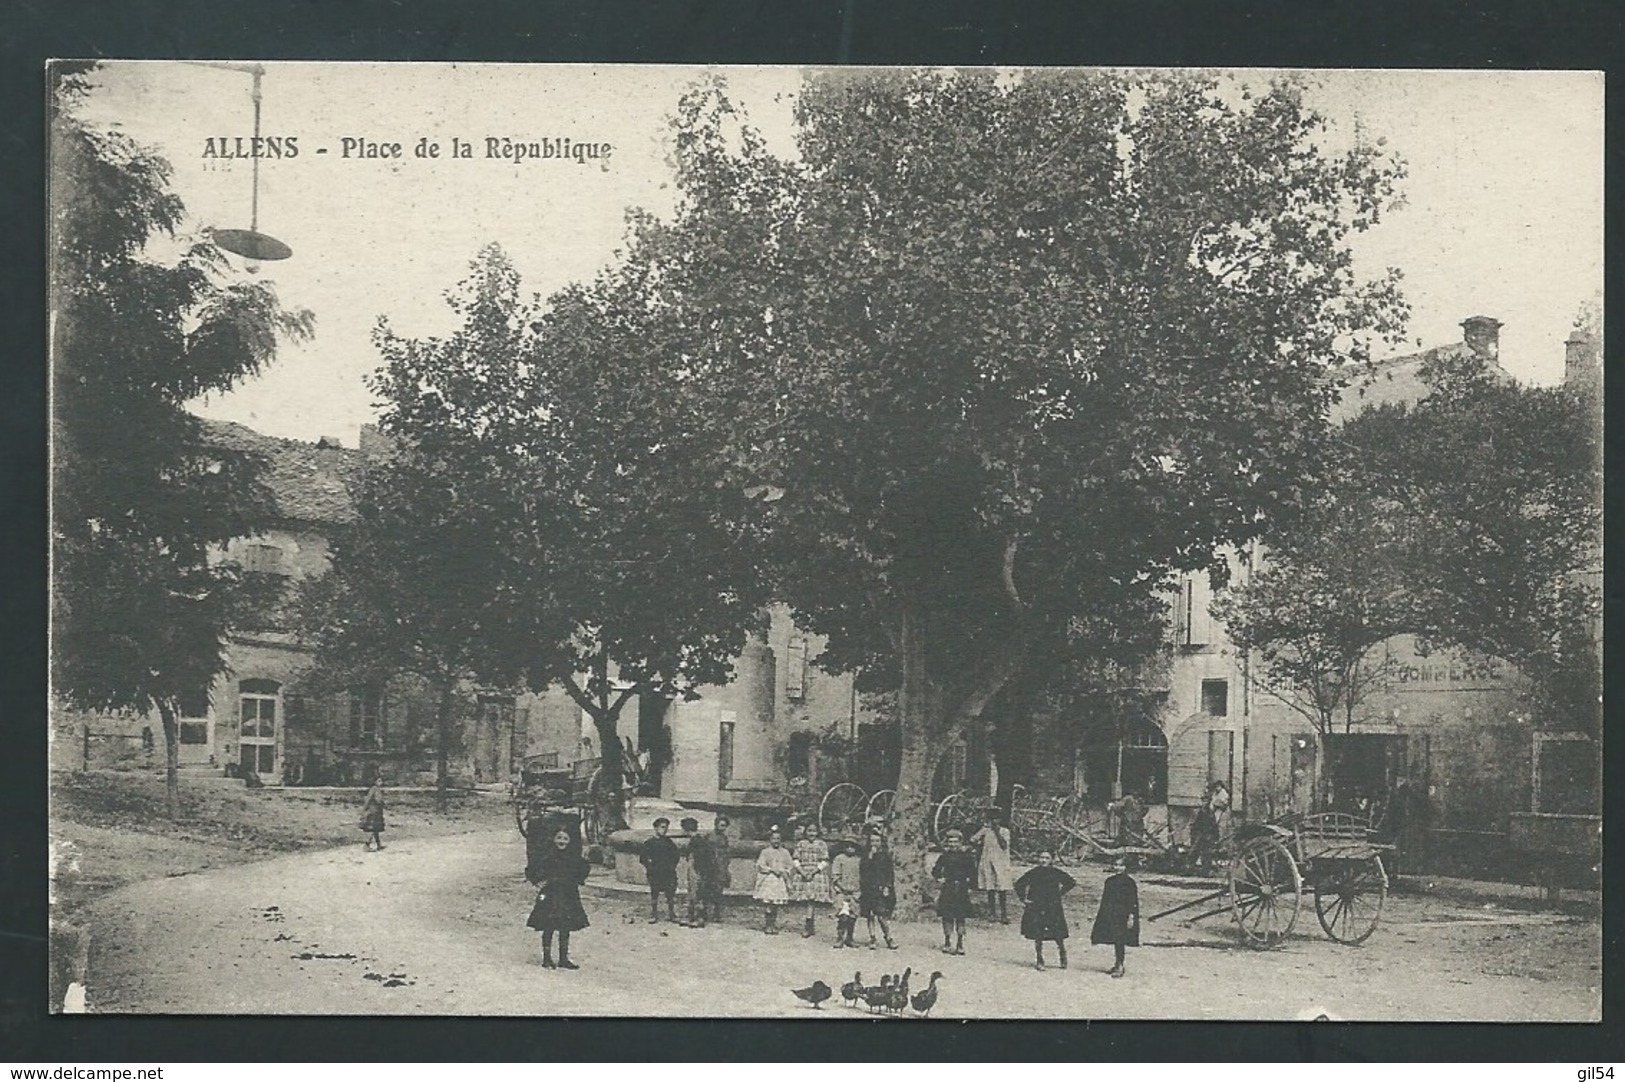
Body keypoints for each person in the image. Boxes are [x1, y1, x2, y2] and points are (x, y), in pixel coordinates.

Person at [526, 827, 591, 969]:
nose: (562, 841)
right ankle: (547, 958)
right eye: (559, 838)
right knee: (548, 925)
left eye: (565, 839)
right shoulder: (547, 855)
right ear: (554, 840)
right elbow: (532, 869)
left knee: (565, 926)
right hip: (550, 893)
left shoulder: (573, 857)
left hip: (568, 893)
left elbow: (581, 872)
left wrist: (584, 864)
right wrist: (538, 882)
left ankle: (563, 958)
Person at [1014, 849, 1077, 970]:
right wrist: (1024, 899)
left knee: (1058, 933)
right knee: (1038, 934)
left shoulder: (1055, 872)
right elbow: (1019, 884)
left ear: (1052, 860)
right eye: (1041, 857)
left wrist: (1059, 893)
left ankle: (1062, 956)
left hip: (1052, 906)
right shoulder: (1034, 872)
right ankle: (1039, 959)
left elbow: (1070, 882)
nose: (1043, 860)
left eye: (1047, 858)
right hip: (1037, 906)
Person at [1091, 856, 1141, 978]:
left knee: (1120, 940)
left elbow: (1133, 901)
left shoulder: (1129, 882)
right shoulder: (1109, 881)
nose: (1118, 868)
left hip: (1123, 914)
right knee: (1114, 938)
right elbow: (1105, 899)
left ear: (1126, 867)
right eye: (1116, 865)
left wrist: (1131, 916)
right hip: (1110, 913)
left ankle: (1120, 965)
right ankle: (1117, 963)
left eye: (1121, 865)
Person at [932, 828, 977, 955]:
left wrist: (970, 887)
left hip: (961, 888)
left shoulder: (967, 857)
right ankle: (947, 942)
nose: (952, 845)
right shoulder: (944, 856)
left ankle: (960, 943)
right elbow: (936, 870)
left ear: (960, 842)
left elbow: (973, 873)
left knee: (961, 917)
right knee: (947, 916)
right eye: (950, 842)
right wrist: (939, 878)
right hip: (948, 888)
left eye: (955, 842)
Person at [971, 811, 1015, 923]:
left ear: (1000, 820)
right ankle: (992, 913)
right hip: (988, 860)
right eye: (992, 819)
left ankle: (1003, 914)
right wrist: (980, 840)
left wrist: (996, 832)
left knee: (1002, 888)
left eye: (996, 819)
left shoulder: (1005, 831)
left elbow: (1004, 845)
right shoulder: (986, 830)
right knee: (990, 888)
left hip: (1001, 862)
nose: (994, 821)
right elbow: (973, 839)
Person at [859, 829, 899, 950]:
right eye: (872, 841)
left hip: (880, 888)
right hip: (868, 888)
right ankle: (872, 937)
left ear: (881, 842)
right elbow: (862, 871)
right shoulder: (866, 856)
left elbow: (889, 873)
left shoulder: (885, 856)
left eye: (877, 841)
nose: (874, 843)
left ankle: (888, 937)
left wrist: (888, 886)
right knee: (870, 915)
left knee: (882, 915)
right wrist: (870, 857)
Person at [791, 821, 832, 938]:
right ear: (805, 832)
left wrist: (814, 871)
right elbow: (795, 859)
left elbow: (825, 861)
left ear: (818, 832)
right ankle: (810, 924)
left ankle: (808, 926)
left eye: (814, 831)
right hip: (803, 872)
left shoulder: (822, 844)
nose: (811, 833)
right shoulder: (801, 844)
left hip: (816, 874)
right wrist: (802, 871)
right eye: (809, 831)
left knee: (811, 900)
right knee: (809, 900)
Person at [640, 817, 681, 923]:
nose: (665, 830)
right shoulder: (649, 843)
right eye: (662, 827)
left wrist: (672, 866)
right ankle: (654, 914)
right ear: (656, 828)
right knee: (655, 893)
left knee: (670, 894)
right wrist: (650, 867)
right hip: (655, 872)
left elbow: (676, 855)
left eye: (666, 827)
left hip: (668, 872)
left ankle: (671, 914)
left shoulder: (669, 842)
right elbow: (643, 858)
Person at [753, 826, 793, 934]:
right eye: (773, 838)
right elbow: (760, 865)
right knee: (768, 903)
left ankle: (773, 924)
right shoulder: (765, 852)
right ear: (770, 840)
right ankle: (768, 925)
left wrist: (783, 871)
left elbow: (789, 865)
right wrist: (771, 869)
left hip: (779, 880)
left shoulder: (785, 852)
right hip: (769, 879)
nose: (776, 841)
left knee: (776, 904)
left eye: (778, 839)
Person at [829, 839, 862, 948]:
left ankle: (850, 938)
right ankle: (840, 937)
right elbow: (835, 876)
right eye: (847, 846)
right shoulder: (839, 859)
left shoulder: (858, 860)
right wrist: (843, 887)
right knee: (843, 916)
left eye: (852, 846)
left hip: (855, 891)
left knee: (853, 916)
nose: (849, 848)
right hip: (842, 891)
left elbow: (862, 876)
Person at [700, 815, 733, 924]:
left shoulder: (724, 838)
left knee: (718, 891)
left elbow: (727, 854)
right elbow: (703, 852)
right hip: (709, 867)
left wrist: (726, 868)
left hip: (720, 868)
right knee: (706, 890)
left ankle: (716, 913)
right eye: (721, 825)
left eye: (725, 826)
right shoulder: (708, 837)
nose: (723, 828)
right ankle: (703, 913)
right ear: (716, 825)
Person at [678, 816, 703, 925]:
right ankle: (692, 917)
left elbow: (698, 857)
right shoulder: (697, 839)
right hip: (694, 867)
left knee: (695, 893)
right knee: (693, 892)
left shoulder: (697, 841)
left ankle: (698, 918)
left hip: (696, 868)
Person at [360, 774, 386, 852]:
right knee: (373, 828)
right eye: (379, 781)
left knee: (376, 828)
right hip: (373, 811)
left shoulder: (377, 789)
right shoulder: (374, 789)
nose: (381, 782)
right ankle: (367, 845)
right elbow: (369, 799)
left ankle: (378, 844)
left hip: (377, 811)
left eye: (381, 781)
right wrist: (364, 809)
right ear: (375, 782)